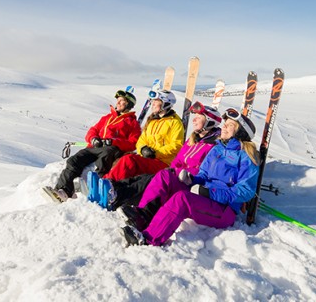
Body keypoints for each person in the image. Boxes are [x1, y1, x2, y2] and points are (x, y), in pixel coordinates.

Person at [121, 107, 260, 247]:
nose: (223, 126)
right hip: (203, 194)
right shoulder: (217, 149)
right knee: (165, 176)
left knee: (182, 199)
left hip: (224, 209)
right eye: (225, 123)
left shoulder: (246, 156)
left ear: (240, 132)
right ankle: (143, 216)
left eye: (230, 125)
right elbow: (203, 174)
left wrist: (211, 193)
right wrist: (192, 179)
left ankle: (149, 239)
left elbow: (246, 191)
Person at [106, 101, 222, 213]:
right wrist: (144, 150)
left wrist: (157, 154)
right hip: (173, 172)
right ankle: (113, 186)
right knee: (142, 176)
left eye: (199, 117)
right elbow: (178, 159)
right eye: (195, 116)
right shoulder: (193, 140)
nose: (194, 120)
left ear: (209, 122)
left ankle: (118, 196)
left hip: (186, 179)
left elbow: (202, 170)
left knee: (147, 179)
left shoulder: (214, 147)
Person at [42, 88, 141, 203]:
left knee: (105, 156)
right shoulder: (107, 118)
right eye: (118, 100)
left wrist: (113, 141)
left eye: (121, 101)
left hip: (111, 148)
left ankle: (98, 187)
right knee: (74, 160)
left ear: (128, 104)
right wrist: (93, 138)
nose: (118, 103)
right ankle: (63, 191)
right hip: (94, 147)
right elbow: (93, 130)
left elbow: (133, 143)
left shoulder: (132, 123)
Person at [101, 90, 184, 182]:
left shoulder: (175, 122)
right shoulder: (152, 121)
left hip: (163, 162)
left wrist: (154, 152)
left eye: (156, 101)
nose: (153, 104)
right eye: (153, 101)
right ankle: (111, 184)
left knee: (130, 160)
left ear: (165, 104)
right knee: (124, 160)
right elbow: (141, 140)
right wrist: (143, 149)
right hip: (147, 158)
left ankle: (108, 182)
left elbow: (177, 146)